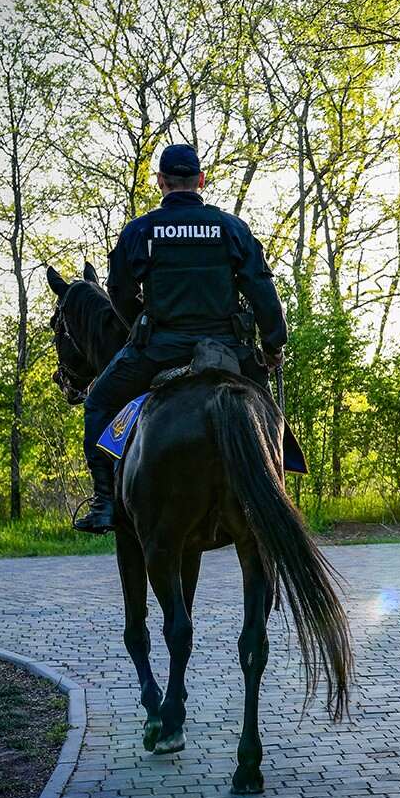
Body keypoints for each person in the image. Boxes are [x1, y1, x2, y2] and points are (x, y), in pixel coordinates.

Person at [73, 144, 287, 533]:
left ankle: (104, 501)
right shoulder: (231, 228)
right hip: (229, 351)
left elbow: (119, 288)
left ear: (161, 182)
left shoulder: (141, 231)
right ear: (200, 181)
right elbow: (261, 291)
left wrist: (139, 322)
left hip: (158, 350)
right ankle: (277, 491)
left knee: (99, 403)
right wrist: (272, 347)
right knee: (268, 416)